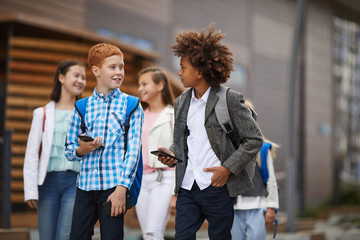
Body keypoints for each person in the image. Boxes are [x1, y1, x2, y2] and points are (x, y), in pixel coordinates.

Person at [157, 25, 263, 240]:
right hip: (187, 186)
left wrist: (227, 169)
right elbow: (182, 142)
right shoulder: (181, 102)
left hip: (217, 186)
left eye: (183, 67)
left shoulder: (230, 99)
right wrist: (171, 154)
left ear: (199, 71)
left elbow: (254, 139)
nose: (179, 72)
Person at [64, 43, 143, 239]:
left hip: (113, 187)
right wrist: (83, 149)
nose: (119, 72)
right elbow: (69, 149)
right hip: (85, 187)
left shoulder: (132, 105)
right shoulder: (81, 106)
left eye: (121, 67)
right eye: (113, 67)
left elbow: (133, 152)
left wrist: (121, 189)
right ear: (96, 71)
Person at [23, 60, 86, 240]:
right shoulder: (41, 113)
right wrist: (30, 190)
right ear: (61, 77)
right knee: (46, 235)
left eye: (83, 77)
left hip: (75, 183)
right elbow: (32, 155)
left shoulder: (85, 113)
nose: (80, 80)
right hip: (47, 184)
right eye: (76, 75)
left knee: (65, 235)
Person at [136, 66, 175, 240]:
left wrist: (176, 192)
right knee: (147, 234)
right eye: (139, 85)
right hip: (141, 182)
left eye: (145, 84)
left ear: (160, 86)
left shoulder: (173, 116)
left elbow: (181, 156)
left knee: (153, 232)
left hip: (164, 179)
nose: (140, 89)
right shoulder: (138, 116)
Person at [231, 100, 280, 240]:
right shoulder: (227, 147)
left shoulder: (263, 148)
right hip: (233, 208)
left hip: (257, 206)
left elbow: (271, 179)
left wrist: (271, 207)